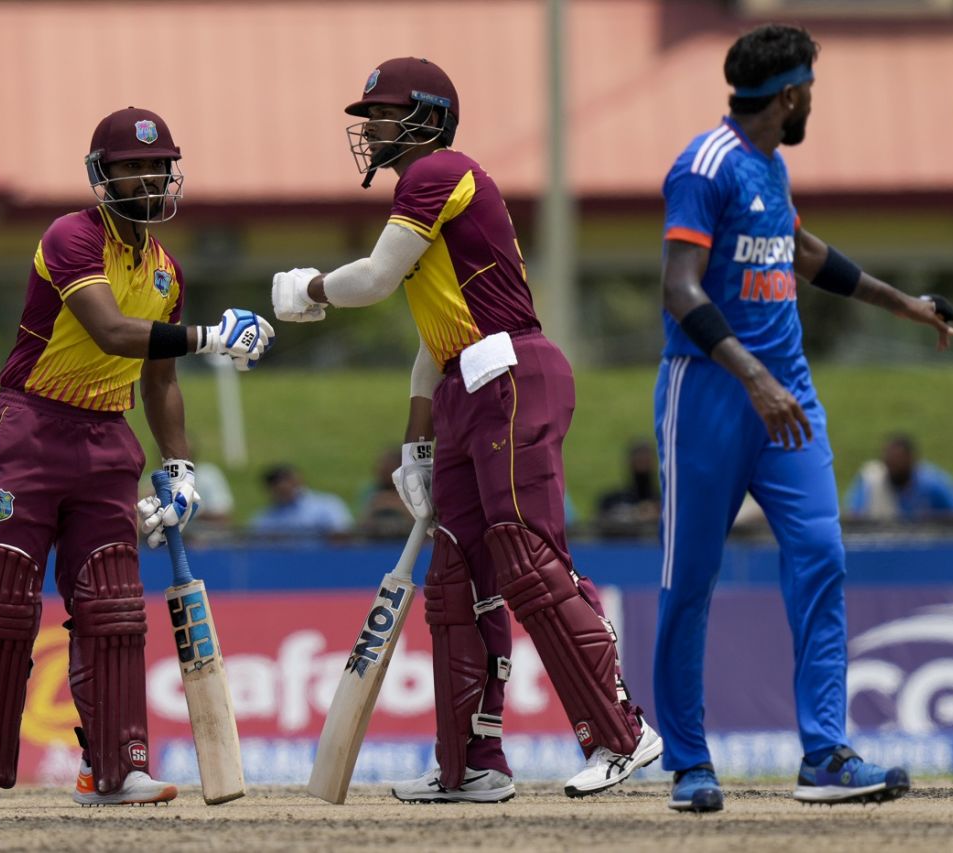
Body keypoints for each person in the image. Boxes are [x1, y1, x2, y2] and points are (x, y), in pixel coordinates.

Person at [271, 57, 661, 803]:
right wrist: (419, 442)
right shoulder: (420, 196)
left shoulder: (440, 170)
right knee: (455, 578)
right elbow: (433, 336)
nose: (370, 128)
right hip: (465, 382)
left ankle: (620, 732)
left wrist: (311, 286)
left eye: (382, 114)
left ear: (427, 116)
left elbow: (376, 280)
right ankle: (471, 764)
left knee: (525, 557)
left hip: (512, 374)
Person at [654, 24, 953, 812]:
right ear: (790, 93)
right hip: (712, 392)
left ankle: (825, 754)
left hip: (787, 396)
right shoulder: (705, 166)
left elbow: (800, 251)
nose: (812, 105)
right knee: (689, 578)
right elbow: (680, 289)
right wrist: (754, 378)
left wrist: (904, 303)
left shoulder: (771, 166)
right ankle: (690, 763)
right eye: (811, 91)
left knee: (823, 556)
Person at [0, 106, 273, 809]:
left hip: (106, 440)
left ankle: (115, 768)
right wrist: (213, 335)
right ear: (103, 176)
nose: (149, 177)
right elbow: (114, 332)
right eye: (133, 166)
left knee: (114, 607)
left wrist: (181, 468)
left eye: (158, 166)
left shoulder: (166, 270)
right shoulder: (71, 236)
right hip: (32, 427)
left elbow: (158, 378)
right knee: (3, 597)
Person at [844, 434, 953, 521]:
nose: (893, 466)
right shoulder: (871, 480)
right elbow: (855, 516)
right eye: (889, 462)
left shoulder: (931, 482)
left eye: (898, 461)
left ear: (911, 460)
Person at [248, 464, 353, 536]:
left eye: (287, 482)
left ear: (298, 480)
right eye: (277, 487)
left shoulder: (327, 505)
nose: (284, 488)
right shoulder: (265, 517)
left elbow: (342, 536)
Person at [596, 441, 661, 527]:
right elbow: (598, 524)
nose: (642, 464)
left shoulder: (664, 502)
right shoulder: (610, 500)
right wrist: (634, 514)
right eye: (639, 461)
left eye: (646, 461)